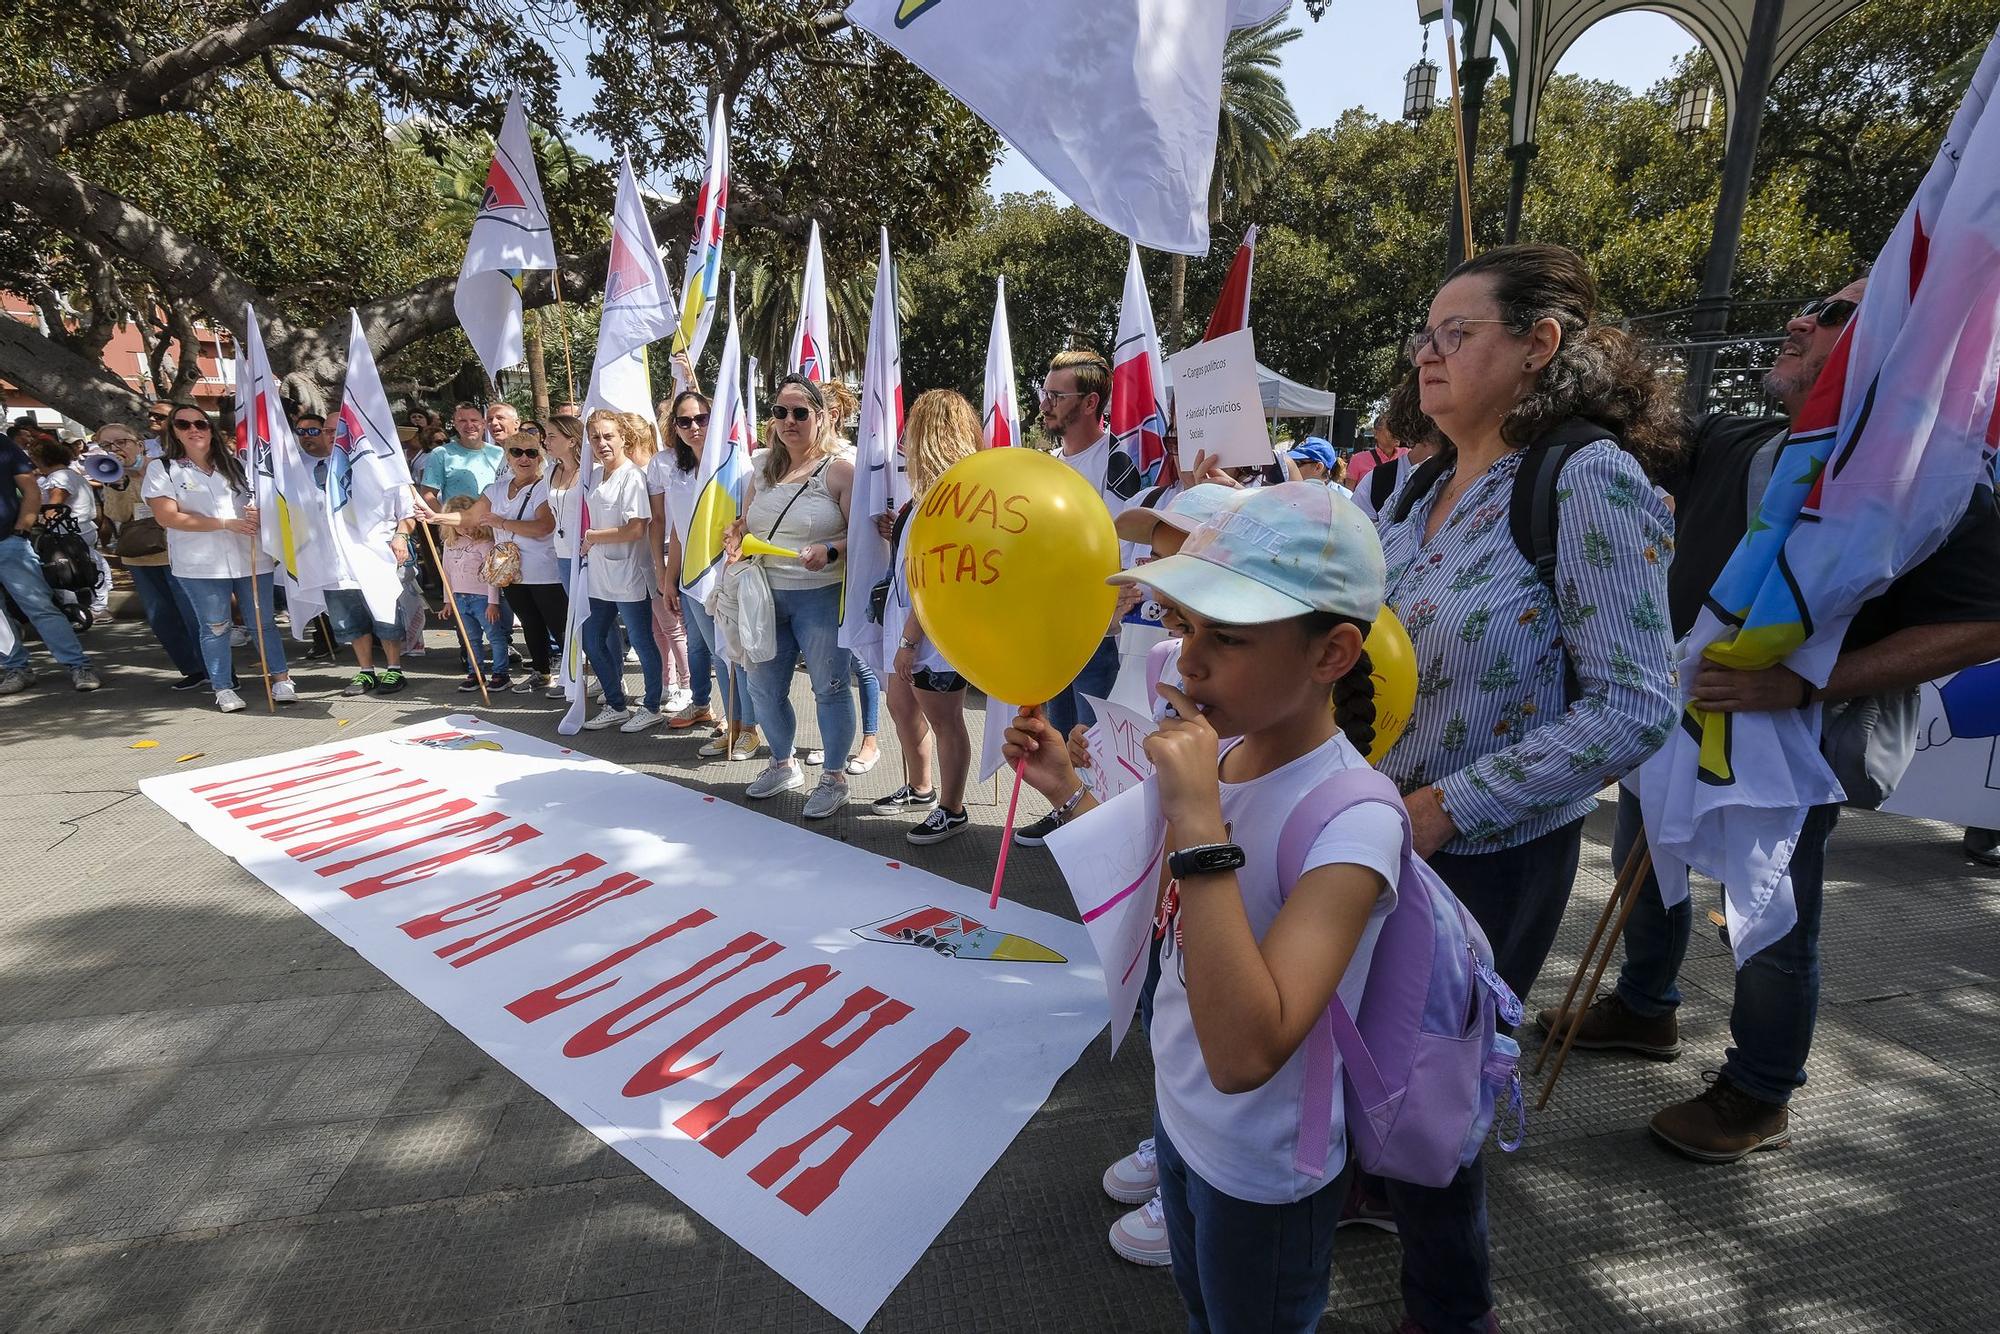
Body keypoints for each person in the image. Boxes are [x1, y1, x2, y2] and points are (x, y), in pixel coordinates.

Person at [1537, 278, 2000, 1163]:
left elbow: (1984, 622)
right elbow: (1619, 424)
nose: (1798, 320)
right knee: (1645, 862)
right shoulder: (1732, 438)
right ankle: (1643, 1009)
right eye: (1809, 306)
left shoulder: (1926, 483)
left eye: (1833, 315)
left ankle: (1759, 1091)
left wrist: (1808, 683)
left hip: (1791, 744)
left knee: (1770, 913)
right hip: (1678, 717)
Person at [1004, 482, 1456, 1332]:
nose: (1187, 662)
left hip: (1262, 1164)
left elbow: (1249, 1051)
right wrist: (1067, 793)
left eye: (1229, 637)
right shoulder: (1231, 751)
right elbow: (1155, 884)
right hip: (1181, 1118)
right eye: (1184, 626)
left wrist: (1199, 821)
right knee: (1201, 1308)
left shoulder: (1354, 819)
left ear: (1332, 654)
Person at [1360, 243, 1680, 1328]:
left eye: (1457, 334)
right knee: (1361, 1055)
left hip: (1485, 859)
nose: (1427, 355)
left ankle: (1449, 1308)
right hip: (1375, 830)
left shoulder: (1584, 478)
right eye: (1424, 335)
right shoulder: (1414, 482)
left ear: (1538, 345)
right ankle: (1365, 1193)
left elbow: (1636, 702)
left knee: (1432, 1098)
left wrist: (1445, 806)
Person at [1013, 348, 1147, 846]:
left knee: (1092, 735)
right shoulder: (1044, 465)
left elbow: (1128, 541)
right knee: (1060, 725)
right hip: (1050, 626)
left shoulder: (1118, 463)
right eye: (1044, 393)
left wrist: (1118, 597)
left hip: (1097, 629)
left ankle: (1100, 831)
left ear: (1090, 403)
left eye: (1056, 395)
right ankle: (1065, 812)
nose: (1045, 404)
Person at [730, 373, 857, 818]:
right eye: (780, 412)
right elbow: (746, 522)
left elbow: (862, 538)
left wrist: (831, 549)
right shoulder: (762, 466)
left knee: (830, 688)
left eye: (800, 412)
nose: (789, 420)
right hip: (764, 592)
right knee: (762, 687)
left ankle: (835, 776)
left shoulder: (841, 470)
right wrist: (735, 533)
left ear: (821, 417)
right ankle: (782, 763)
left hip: (820, 596)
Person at [873, 389, 985, 843]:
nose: (902, 438)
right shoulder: (929, 495)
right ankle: (920, 787)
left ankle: (952, 808)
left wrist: (909, 640)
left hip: (933, 634)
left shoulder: (954, 496)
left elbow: (939, 577)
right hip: (909, 625)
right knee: (900, 705)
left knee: (944, 719)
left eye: (912, 427)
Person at [141, 404, 292, 712]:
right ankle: (222, 687)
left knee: (262, 623)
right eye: (184, 424)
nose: (194, 429)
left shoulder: (237, 465)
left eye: (200, 423)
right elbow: (168, 518)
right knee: (215, 625)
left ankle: (281, 679)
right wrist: (225, 523)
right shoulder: (163, 468)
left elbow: (267, 502)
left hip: (249, 556)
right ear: (174, 431)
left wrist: (258, 513)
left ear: (211, 429)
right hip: (200, 564)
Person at [653, 390, 762, 758]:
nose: (694, 427)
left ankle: (750, 729)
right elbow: (679, 531)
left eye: (701, 419)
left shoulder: (736, 462)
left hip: (731, 574)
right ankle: (731, 727)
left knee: (739, 655)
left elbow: (750, 518)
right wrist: (670, 579)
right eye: (684, 421)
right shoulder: (677, 472)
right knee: (719, 657)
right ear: (675, 427)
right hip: (695, 580)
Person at [425, 430, 563, 693]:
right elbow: (469, 518)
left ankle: (572, 678)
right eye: (517, 452)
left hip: (544, 570)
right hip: (509, 572)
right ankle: (541, 672)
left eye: (531, 452)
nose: (524, 458)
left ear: (540, 456)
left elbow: (544, 526)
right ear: (507, 457)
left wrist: (502, 523)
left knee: (557, 624)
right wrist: (435, 517)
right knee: (529, 623)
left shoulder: (546, 487)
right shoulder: (494, 489)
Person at [578, 409, 665, 731]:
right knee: (592, 639)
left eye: (608, 435)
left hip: (629, 572)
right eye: (595, 437)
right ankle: (615, 703)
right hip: (600, 573)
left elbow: (635, 529)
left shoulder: (632, 477)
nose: (602, 443)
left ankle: (652, 705)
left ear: (623, 438)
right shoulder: (597, 475)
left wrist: (591, 537)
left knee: (642, 642)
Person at [0, 425, 102, 694]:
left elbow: (31, 490)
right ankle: (16, 668)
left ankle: (78, 665)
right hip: (11, 541)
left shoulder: (3, 445)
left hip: (9, 542)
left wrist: (22, 529)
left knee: (40, 608)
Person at [622, 410, 691, 712]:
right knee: (659, 625)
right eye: (683, 421)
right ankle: (669, 683)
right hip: (657, 550)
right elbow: (657, 519)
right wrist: (659, 566)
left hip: (683, 550)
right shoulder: (659, 463)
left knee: (676, 627)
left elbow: (664, 517)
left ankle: (687, 688)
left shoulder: (664, 464)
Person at [29, 435, 113, 619]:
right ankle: (98, 604)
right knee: (91, 563)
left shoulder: (59, 478)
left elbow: (54, 508)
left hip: (67, 531)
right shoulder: (70, 474)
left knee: (62, 568)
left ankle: (80, 607)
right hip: (81, 528)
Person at [435, 495, 510, 691]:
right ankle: (475, 672)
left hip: (483, 598)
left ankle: (501, 673)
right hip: (460, 597)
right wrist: (448, 601)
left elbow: (492, 575)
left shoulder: (485, 543)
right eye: (461, 524)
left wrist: (493, 602)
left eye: (470, 523)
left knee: (494, 636)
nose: (466, 528)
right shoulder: (450, 544)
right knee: (470, 638)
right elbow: (447, 573)